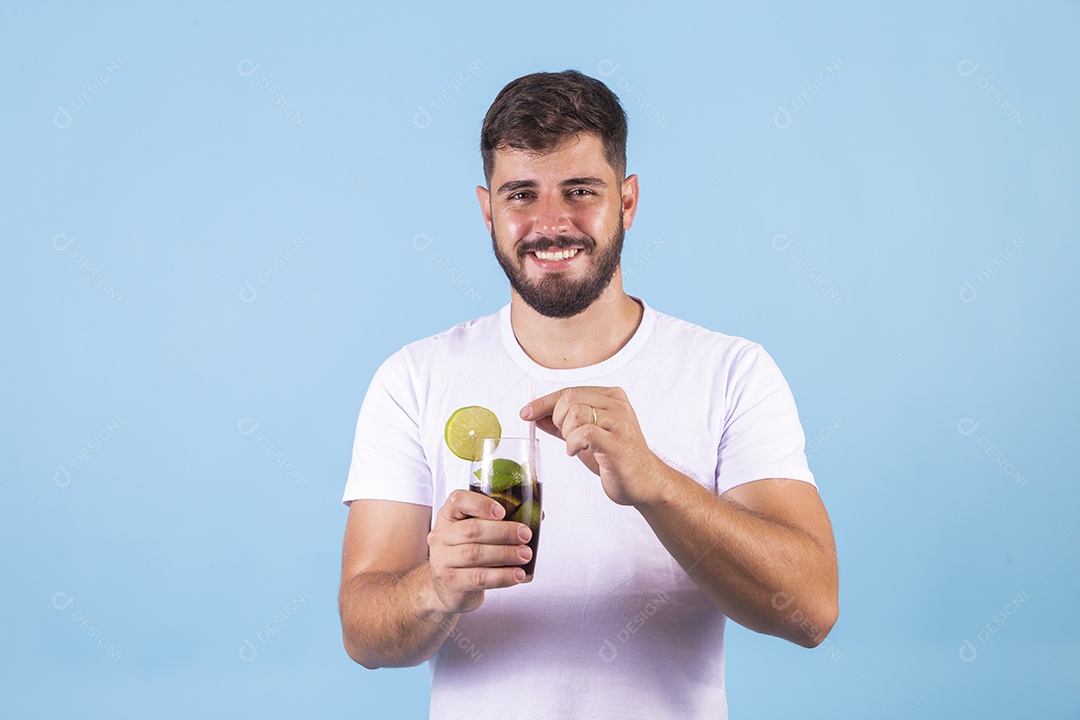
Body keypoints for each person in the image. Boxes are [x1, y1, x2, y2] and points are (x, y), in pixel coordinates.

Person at [339, 69, 838, 719]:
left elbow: (811, 610)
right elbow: (362, 632)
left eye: (580, 191)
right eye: (521, 194)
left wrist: (656, 484)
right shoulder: (413, 378)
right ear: (487, 210)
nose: (550, 223)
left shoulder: (732, 372)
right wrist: (434, 587)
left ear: (627, 201)